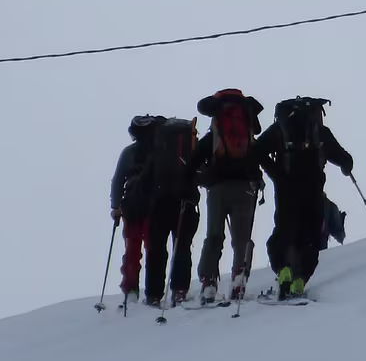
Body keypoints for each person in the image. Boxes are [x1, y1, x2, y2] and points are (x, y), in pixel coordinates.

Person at [256, 96, 353, 297]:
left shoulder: (279, 129)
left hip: (285, 187)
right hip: (313, 187)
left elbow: (257, 150)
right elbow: (344, 158)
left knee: (284, 230)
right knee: (310, 235)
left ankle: (283, 269)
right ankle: (300, 278)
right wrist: (346, 166)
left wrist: (275, 173)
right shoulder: (320, 131)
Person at [109, 115, 199, 311]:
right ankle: (178, 291)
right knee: (161, 249)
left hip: (133, 206)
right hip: (161, 205)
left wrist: (116, 206)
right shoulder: (167, 149)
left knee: (134, 249)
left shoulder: (129, 152)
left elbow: (118, 180)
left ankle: (134, 290)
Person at [191, 88, 265, 304]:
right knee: (242, 237)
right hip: (245, 187)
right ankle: (239, 278)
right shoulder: (248, 132)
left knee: (214, 235)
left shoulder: (214, 135)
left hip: (217, 188)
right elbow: (258, 156)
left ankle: (209, 282)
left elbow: (194, 160)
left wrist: (199, 178)